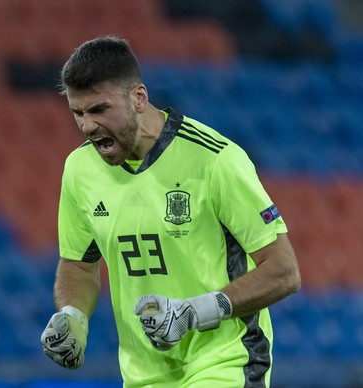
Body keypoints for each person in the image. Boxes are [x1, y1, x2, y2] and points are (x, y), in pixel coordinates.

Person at [40, 35, 301, 387]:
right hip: (143, 375)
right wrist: (72, 315)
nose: (87, 126)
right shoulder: (79, 169)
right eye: (78, 113)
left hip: (224, 362)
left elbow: (284, 271)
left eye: (99, 110)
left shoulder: (215, 160)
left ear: (138, 98)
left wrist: (194, 312)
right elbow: (77, 263)